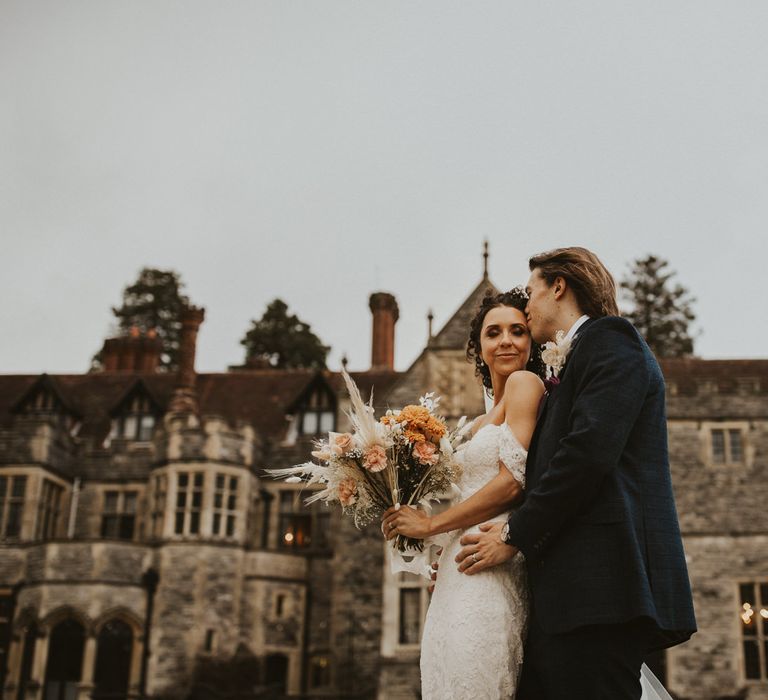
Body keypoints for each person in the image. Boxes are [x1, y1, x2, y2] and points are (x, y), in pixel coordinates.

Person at [455, 247, 697, 699]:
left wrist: (511, 536)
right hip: (561, 601)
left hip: (600, 593)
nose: (527, 306)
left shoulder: (611, 339)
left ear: (558, 287)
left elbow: (586, 455)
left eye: (531, 292)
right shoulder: (563, 367)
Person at [382, 287, 545, 699]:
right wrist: (429, 538)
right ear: (478, 347)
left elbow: (512, 483)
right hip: (457, 572)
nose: (506, 340)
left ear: (531, 342)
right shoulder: (475, 422)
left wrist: (431, 524)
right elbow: (465, 494)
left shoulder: (527, 384)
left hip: (490, 564)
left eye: (518, 331)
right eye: (494, 333)